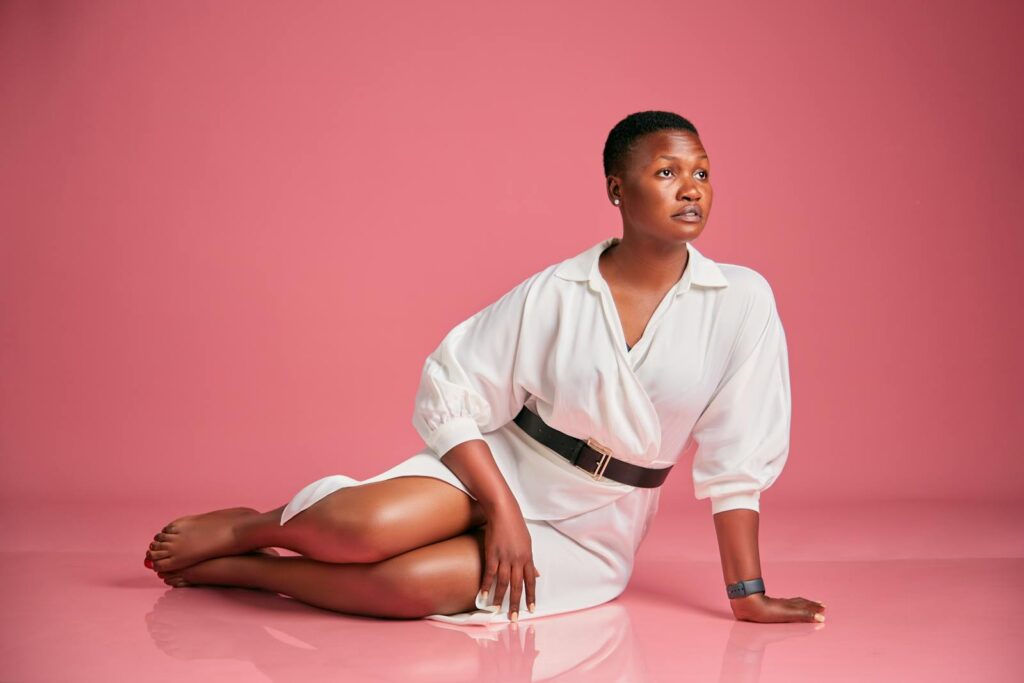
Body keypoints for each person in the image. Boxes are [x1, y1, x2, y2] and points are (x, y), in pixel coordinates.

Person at [144, 110, 826, 626]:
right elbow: (451, 384)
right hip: (501, 471)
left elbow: (738, 456)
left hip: (598, 524)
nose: (691, 189)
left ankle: (251, 573)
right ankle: (251, 526)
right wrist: (500, 506)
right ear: (618, 189)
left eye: (702, 172)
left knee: (406, 585)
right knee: (362, 530)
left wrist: (748, 594)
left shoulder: (741, 300)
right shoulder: (557, 291)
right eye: (668, 172)